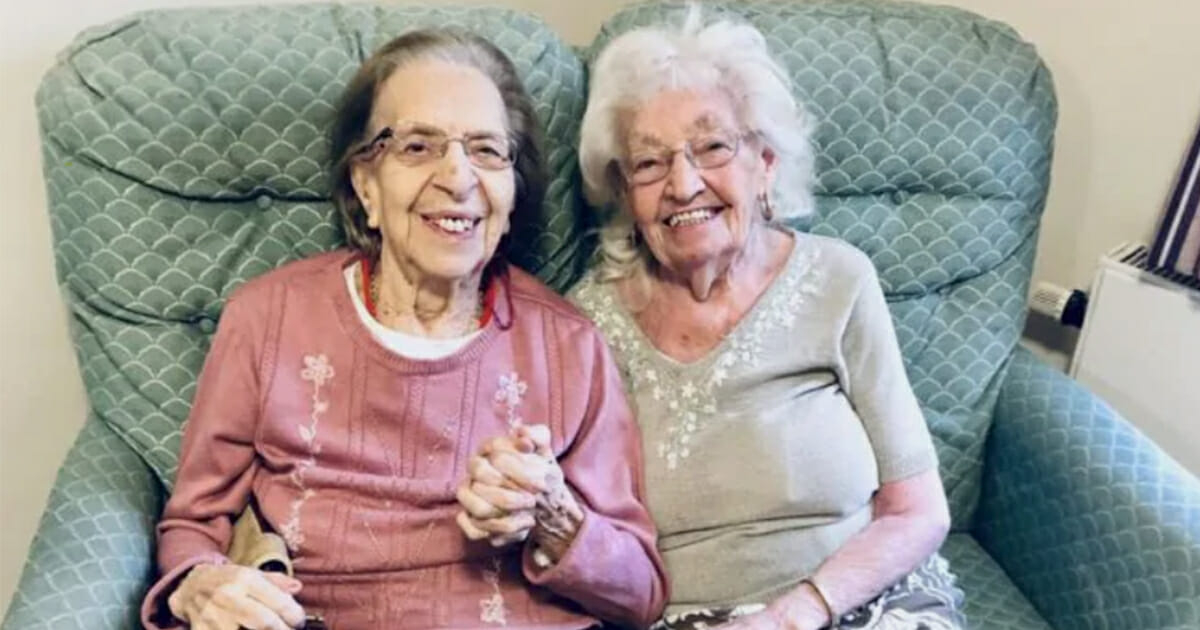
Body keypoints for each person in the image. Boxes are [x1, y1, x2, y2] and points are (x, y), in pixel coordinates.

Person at [141, 29, 667, 630]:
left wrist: (555, 517)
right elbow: (193, 524)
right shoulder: (268, 318)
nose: (458, 177)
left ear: (512, 193)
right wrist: (201, 583)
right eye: (418, 146)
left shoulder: (568, 344)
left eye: (487, 151)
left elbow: (642, 592)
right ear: (365, 185)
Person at [570, 12, 964, 630]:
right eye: (649, 163)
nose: (683, 184)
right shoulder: (583, 324)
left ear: (766, 163)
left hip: (864, 596)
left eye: (712, 147)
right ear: (624, 192)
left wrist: (795, 614)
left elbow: (918, 510)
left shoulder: (839, 280)